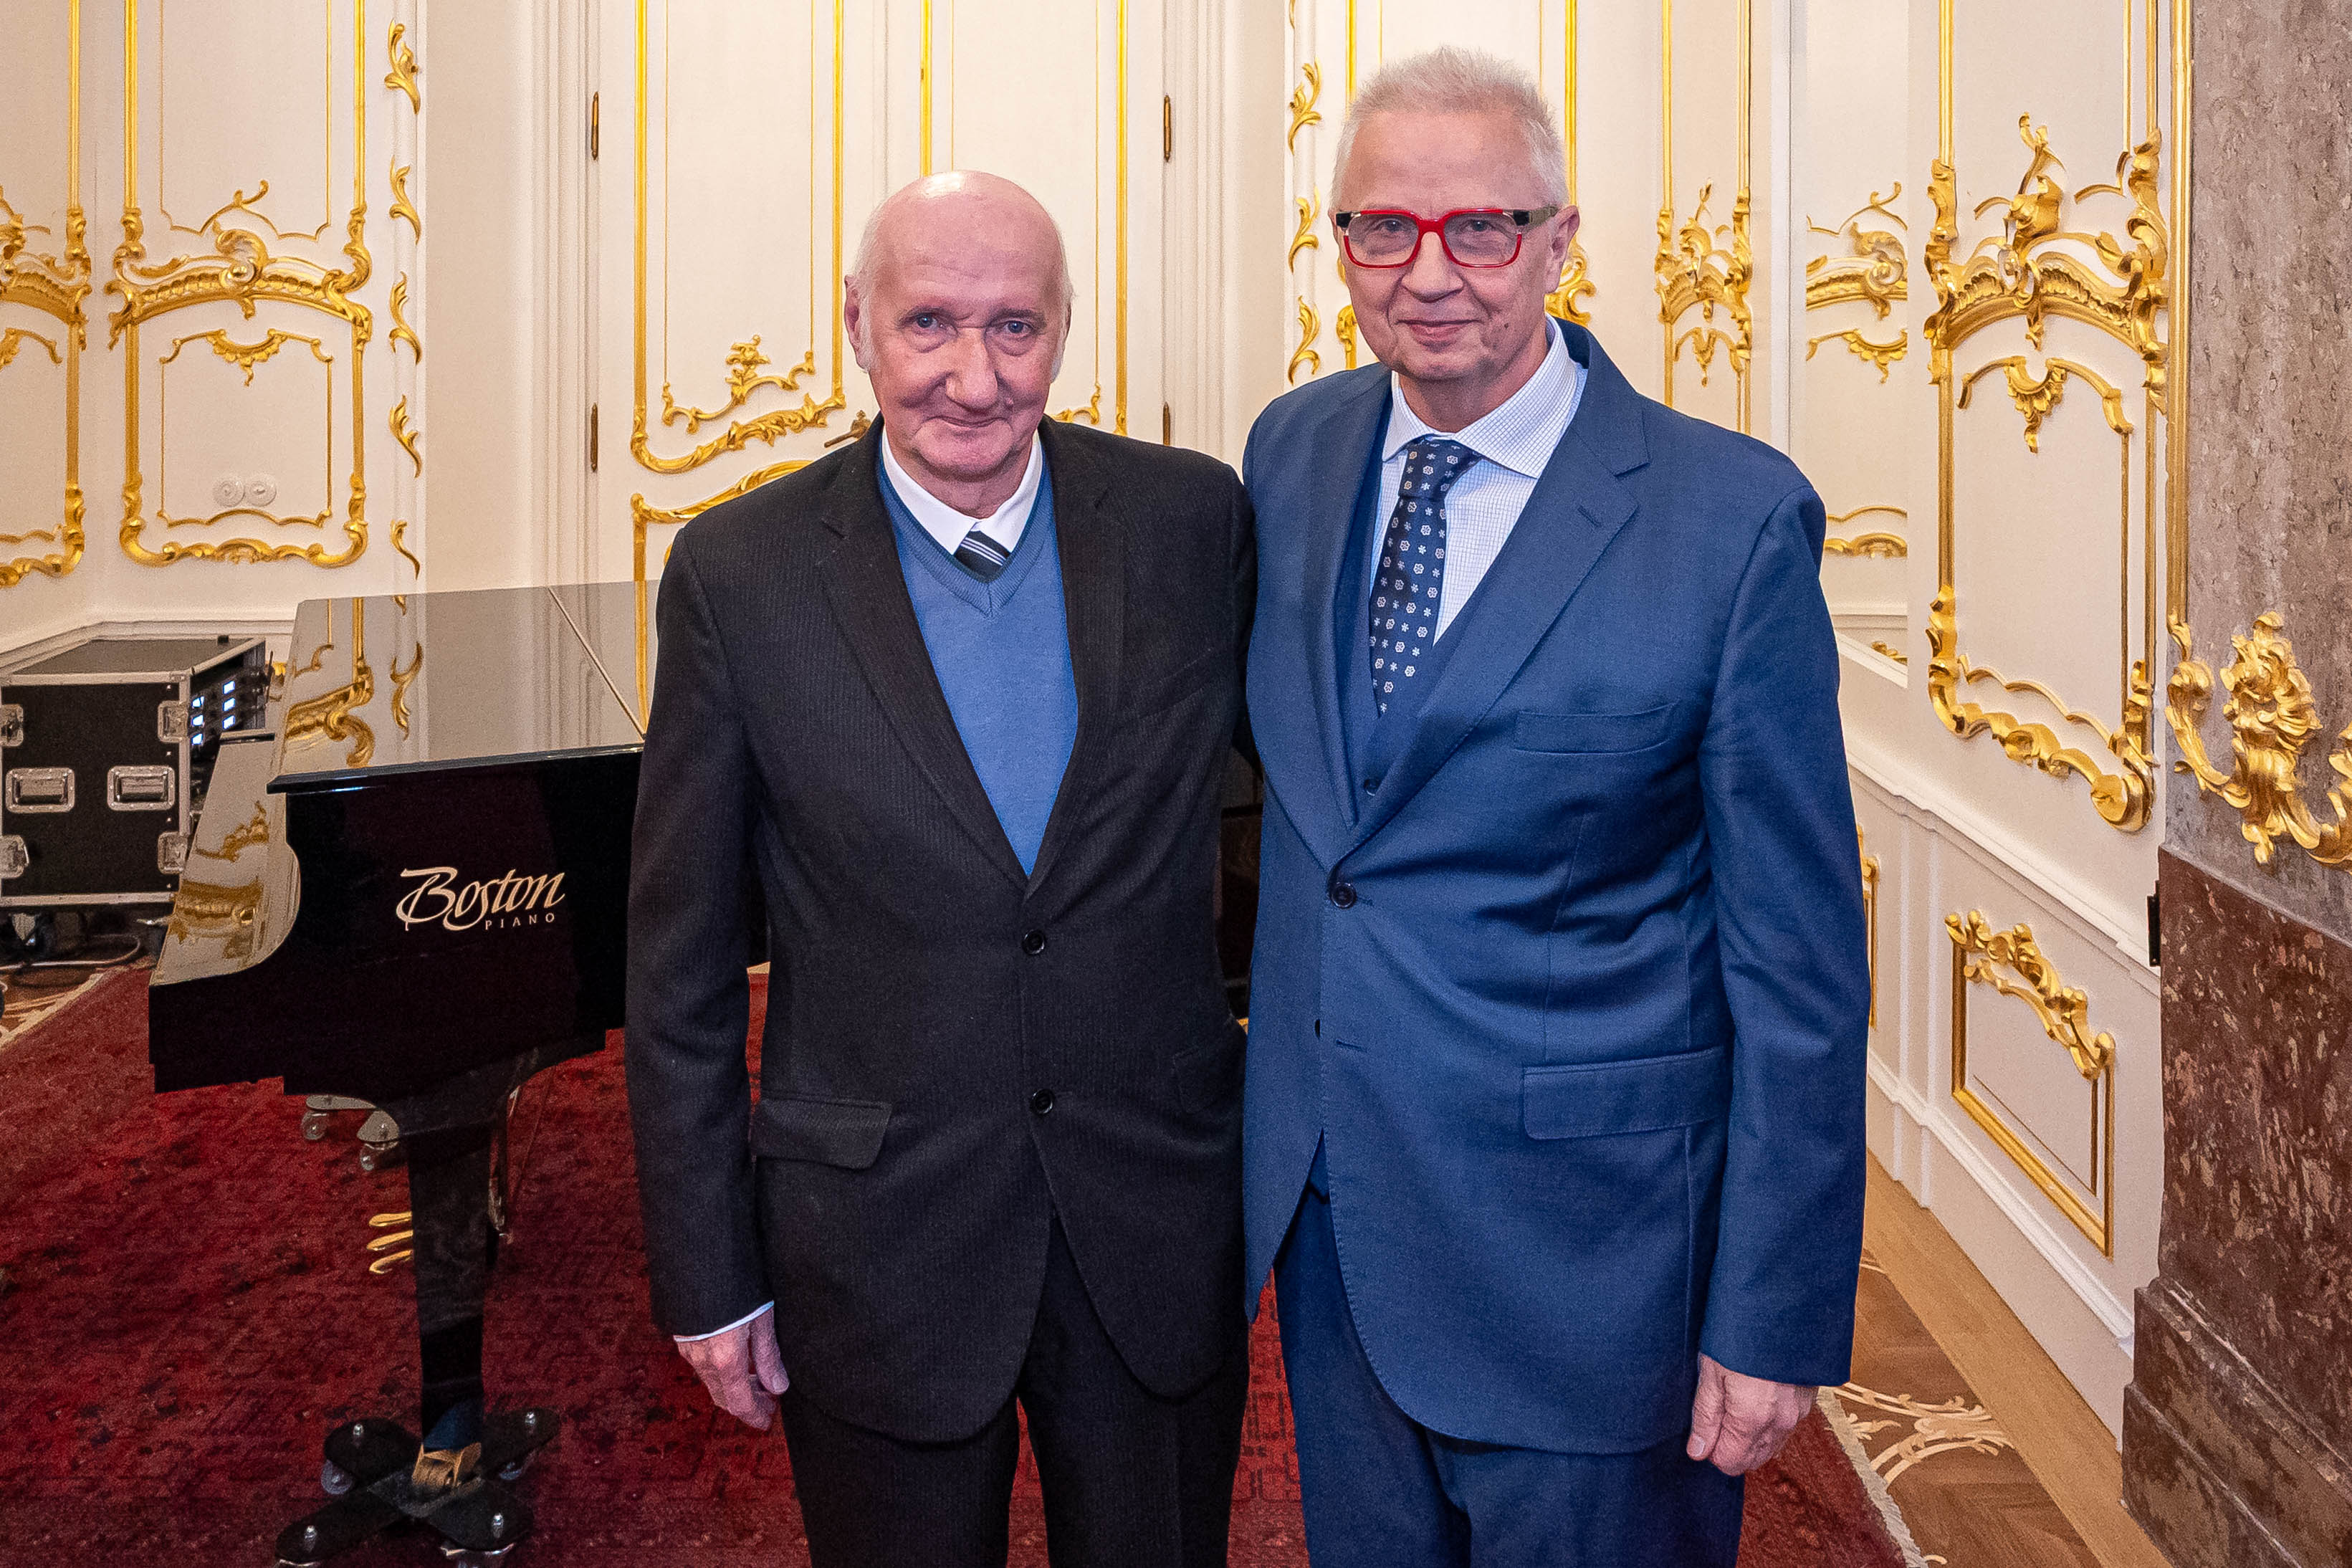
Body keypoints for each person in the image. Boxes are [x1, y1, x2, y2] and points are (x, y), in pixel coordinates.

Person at [1240, 47, 1870, 1567]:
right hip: (1335, 1224)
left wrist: (1771, 1310)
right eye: (1382, 227)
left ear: (1560, 238)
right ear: (1339, 243)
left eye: (1481, 227)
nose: (1427, 273)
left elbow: (1796, 965)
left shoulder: (1730, 521)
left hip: (1591, 1267)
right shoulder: (1293, 450)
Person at [625, 171, 1255, 1568]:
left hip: (1149, 1220)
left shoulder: (1193, 524)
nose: (975, 377)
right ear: (856, 322)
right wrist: (707, 1271)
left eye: (1016, 327)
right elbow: (678, 969)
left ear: (1064, 328)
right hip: (876, 1240)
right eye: (929, 324)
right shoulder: (740, 574)